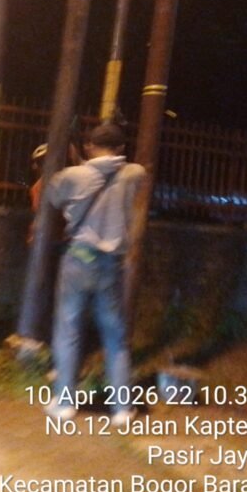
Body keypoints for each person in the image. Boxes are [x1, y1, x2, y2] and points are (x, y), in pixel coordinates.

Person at [43, 123, 145, 426]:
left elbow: (52, 196)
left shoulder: (73, 176)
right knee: (115, 336)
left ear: (89, 146)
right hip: (111, 265)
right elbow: (139, 171)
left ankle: (64, 403)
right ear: (122, 148)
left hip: (78, 259)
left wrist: (78, 163)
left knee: (69, 330)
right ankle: (122, 410)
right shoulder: (132, 174)